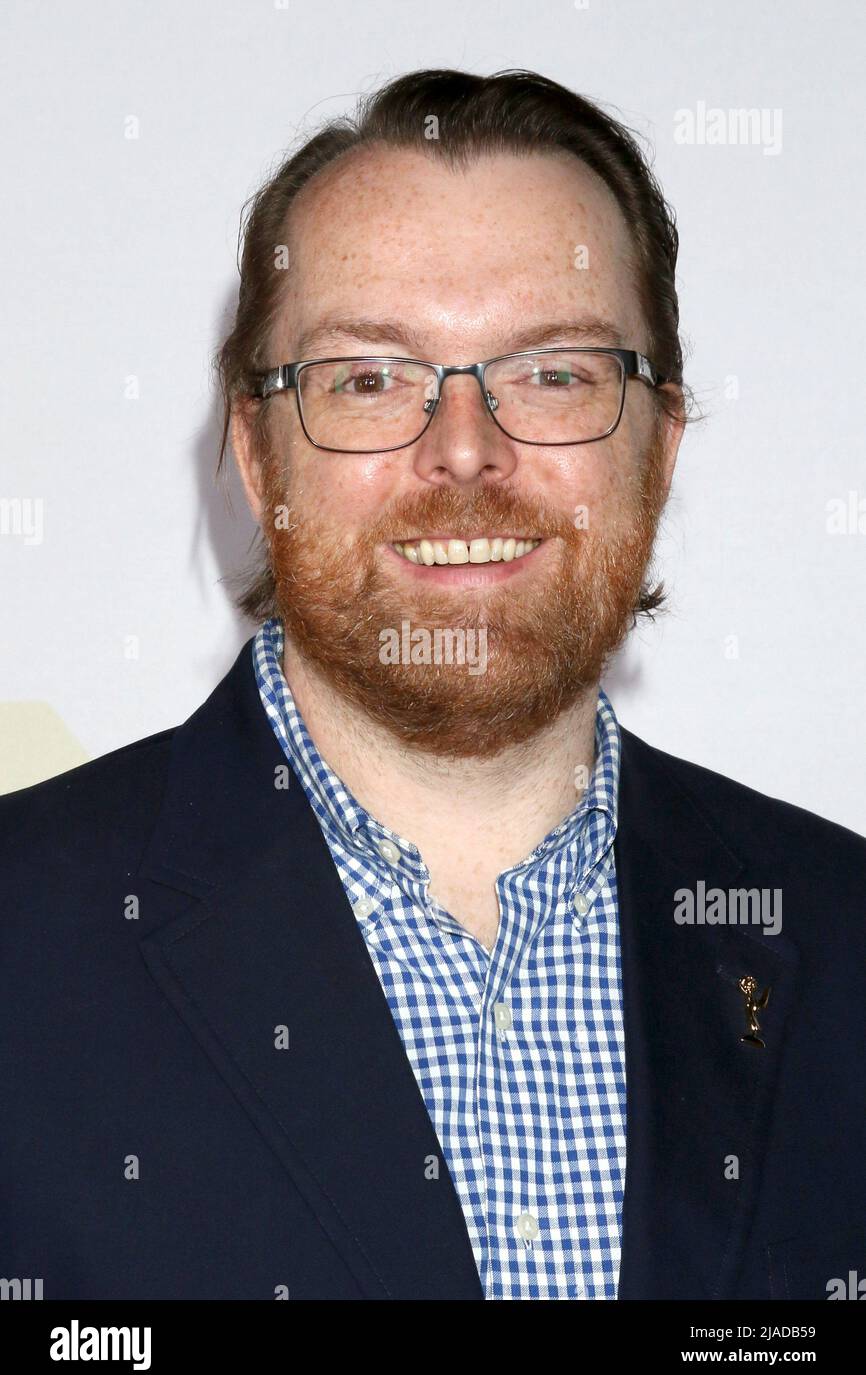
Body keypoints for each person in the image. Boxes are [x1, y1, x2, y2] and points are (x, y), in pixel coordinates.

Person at [2, 68, 864, 1302]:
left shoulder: (838, 935)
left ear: (658, 447)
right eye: (367, 379)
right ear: (254, 454)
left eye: (553, 373)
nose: (463, 450)